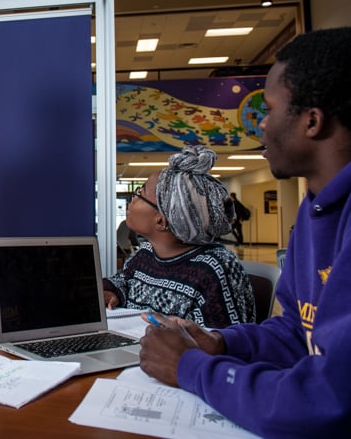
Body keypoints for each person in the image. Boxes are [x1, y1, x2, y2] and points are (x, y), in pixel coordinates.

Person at [139, 27, 351, 436]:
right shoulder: (317, 206)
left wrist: (191, 367)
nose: (261, 128)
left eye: (269, 110)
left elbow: (331, 401)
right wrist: (222, 343)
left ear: (312, 121)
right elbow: (296, 331)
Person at [103, 146, 256, 328]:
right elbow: (124, 282)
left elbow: (223, 341)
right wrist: (112, 291)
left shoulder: (214, 270)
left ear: (161, 221)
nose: (131, 201)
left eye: (139, 194)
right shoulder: (145, 254)